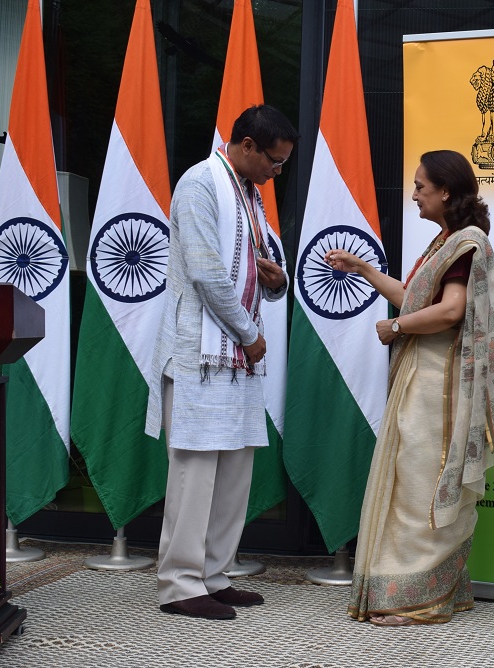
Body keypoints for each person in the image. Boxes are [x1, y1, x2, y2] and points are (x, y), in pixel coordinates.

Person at [326, 150, 494, 627]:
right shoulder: (444, 242)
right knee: (413, 480)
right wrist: (363, 269)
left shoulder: (467, 242)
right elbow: (414, 299)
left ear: (445, 191)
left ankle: (417, 599)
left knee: (422, 486)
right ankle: (429, 590)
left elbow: (449, 310)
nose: (414, 195)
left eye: (420, 187)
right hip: (423, 376)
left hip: (440, 384)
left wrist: (397, 328)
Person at [145, 105, 298, 620]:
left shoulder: (250, 194)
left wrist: (277, 281)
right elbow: (208, 273)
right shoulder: (199, 184)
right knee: (195, 473)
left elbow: (262, 269)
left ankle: (213, 574)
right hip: (199, 355)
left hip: (236, 356)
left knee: (234, 472)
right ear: (247, 146)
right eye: (274, 161)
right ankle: (180, 584)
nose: (277, 172)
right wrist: (251, 336)